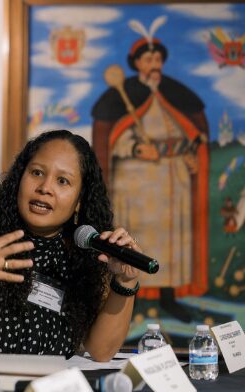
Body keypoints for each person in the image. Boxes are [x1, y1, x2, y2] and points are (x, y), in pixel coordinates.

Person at [0, 130, 141, 388]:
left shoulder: (85, 259)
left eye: (63, 181)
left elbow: (101, 351)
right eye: (37, 173)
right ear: (20, 178)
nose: (45, 188)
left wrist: (124, 282)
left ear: (79, 200)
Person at [91, 17, 209, 321]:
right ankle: (134, 297)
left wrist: (190, 155)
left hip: (173, 181)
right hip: (136, 184)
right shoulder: (121, 94)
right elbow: (112, 139)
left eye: (157, 58)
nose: (154, 63)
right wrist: (135, 147)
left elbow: (190, 133)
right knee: (136, 237)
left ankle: (169, 298)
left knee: (172, 240)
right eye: (148, 58)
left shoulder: (175, 93)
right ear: (137, 63)